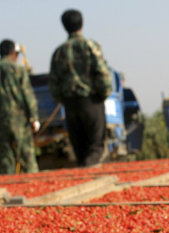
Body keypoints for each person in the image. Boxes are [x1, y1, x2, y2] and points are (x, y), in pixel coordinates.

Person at [49, 9, 112, 167]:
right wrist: (103, 94)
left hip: (70, 104)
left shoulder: (59, 52)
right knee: (96, 145)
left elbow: (53, 81)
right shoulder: (90, 46)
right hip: (90, 101)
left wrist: (61, 99)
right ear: (81, 24)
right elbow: (102, 72)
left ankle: (84, 172)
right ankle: (91, 173)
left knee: (80, 147)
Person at [0, 40, 40, 174]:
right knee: (27, 156)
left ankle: (8, 187)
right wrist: (34, 117)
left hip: (1, 121)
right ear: (13, 53)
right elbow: (27, 95)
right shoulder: (18, 70)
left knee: (5, 159)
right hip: (19, 119)